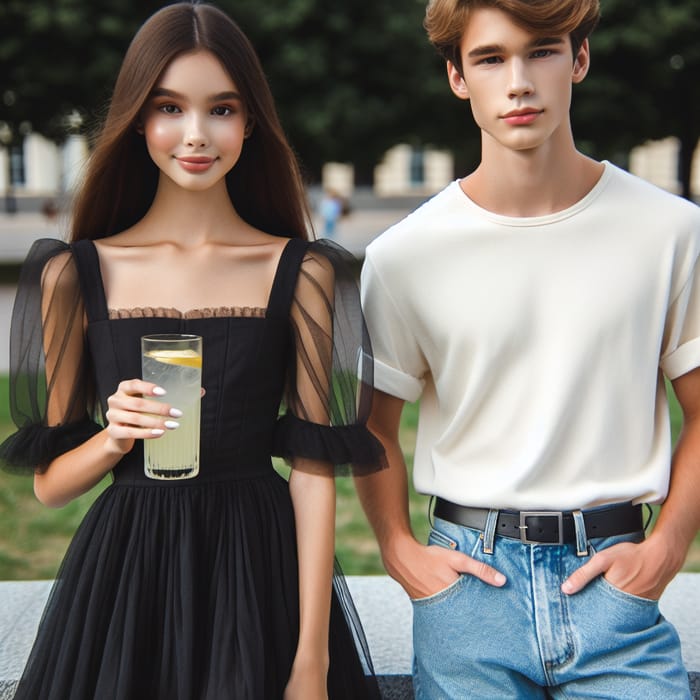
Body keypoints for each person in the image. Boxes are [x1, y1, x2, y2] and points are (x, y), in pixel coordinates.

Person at [0, 3, 384, 698]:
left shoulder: (302, 272)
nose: (197, 134)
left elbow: (312, 472)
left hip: (257, 572)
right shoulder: (71, 274)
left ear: (252, 121)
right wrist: (114, 438)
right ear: (137, 119)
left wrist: (311, 663)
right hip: (124, 584)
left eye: (223, 109)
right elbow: (50, 486)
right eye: (170, 107)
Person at [358, 0, 700, 697]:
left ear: (579, 59)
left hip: (616, 589)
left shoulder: (671, 232)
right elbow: (373, 427)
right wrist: (399, 551)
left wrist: (666, 548)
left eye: (541, 51)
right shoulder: (404, 256)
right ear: (458, 76)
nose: (518, 82)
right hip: (468, 591)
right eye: (490, 58)